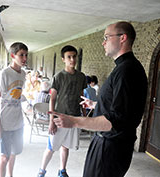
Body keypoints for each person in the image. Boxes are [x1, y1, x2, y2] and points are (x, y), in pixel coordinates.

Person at [51, 21, 148, 177]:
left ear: (122, 38)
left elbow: (116, 120)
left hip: (110, 148)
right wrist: (97, 104)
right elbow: (122, 106)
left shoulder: (127, 71)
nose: (103, 42)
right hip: (108, 145)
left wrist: (74, 121)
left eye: (107, 37)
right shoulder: (125, 68)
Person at [37, 45, 86, 177]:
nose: (72, 59)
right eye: (69, 57)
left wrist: (84, 115)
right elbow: (52, 99)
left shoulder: (81, 76)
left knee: (66, 146)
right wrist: (52, 121)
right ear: (63, 59)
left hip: (74, 117)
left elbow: (82, 96)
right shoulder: (58, 77)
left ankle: (62, 170)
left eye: (74, 56)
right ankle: (42, 171)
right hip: (59, 117)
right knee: (51, 147)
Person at [0, 42, 28, 177]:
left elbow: (17, 94)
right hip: (5, 122)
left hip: (18, 122)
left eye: (26, 55)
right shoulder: (4, 74)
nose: (25, 58)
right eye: (21, 55)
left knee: (14, 154)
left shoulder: (23, 74)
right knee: (4, 157)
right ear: (13, 55)